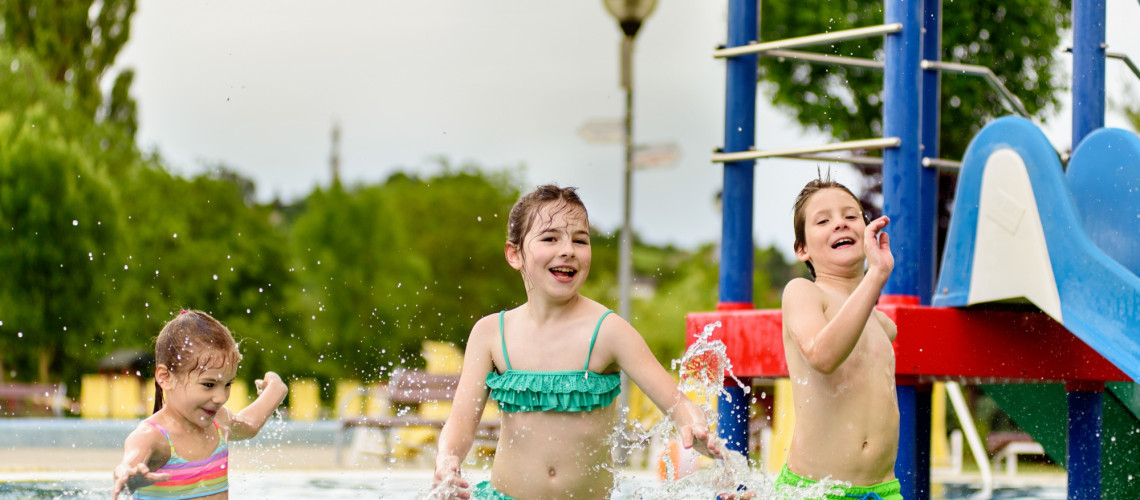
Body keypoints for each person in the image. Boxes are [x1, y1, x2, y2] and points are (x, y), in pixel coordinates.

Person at [431, 185, 730, 500]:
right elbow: (461, 424)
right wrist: (448, 458)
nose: (568, 249)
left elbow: (677, 402)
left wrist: (693, 424)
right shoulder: (492, 333)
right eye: (550, 238)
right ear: (514, 254)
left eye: (580, 240)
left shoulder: (608, 331)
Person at [777, 175, 902, 500]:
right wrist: (875, 276)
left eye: (850, 216)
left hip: (884, 491)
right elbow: (823, 356)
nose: (840, 224)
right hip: (816, 491)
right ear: (802, 249)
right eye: (823, 220)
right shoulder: (803, 294)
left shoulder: (884, 326)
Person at [112, 310, 289, 499]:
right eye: (209, 385)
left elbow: (251, 424)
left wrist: (276, 387)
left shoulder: (220, 422)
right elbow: (129, 463)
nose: (221, 397)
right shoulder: (153, 437)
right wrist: (128, 475)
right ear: (166, 378)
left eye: (228, 384)